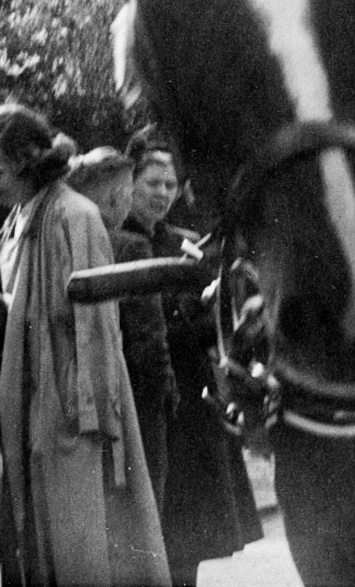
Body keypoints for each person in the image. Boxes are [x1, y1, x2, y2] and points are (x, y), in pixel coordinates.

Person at [0, 104, 169, 587]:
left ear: (29, 162)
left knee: (84, 554)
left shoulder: (75, 216)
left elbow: (96, 328)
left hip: (72, 418)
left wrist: (92, 424)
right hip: (31, 411)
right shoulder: (18, 218)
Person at [123, 127, 260, 587]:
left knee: (187, 546)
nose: (164, 194)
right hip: (145, 399)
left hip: (190, 407)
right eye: (152, 183)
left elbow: (214, 323)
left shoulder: (187, 244)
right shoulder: (113, 242)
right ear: (129, 182)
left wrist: (211, 308)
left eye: (170, 184)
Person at [67, 146, 175, 508]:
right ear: (118, 195)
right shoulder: (131, 246)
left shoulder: (62, 238)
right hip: (131, 406)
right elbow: (150, 341)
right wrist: (164, 394)